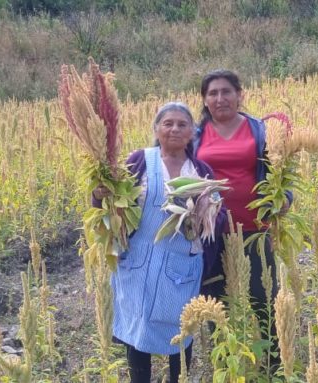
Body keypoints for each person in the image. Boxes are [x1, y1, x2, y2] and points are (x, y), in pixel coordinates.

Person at [93, 102, 226, 383]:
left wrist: (206, 211)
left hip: (180, 268)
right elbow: (109, 203)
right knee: (137, 331)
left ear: (192, 132)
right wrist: (99, 193)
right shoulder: (139, 160)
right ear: (156, 129)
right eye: (168, 123)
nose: (174, 129)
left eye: (182, 124)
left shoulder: (199, 169)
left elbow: (217, 217)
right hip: (139, 266)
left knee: (180, 332)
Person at [194, 69, 293, 369]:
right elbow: (170, 170)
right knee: (216, 302)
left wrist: (284, 199)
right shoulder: (195, 135)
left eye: (226, 91)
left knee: (263, 297)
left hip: (254, 230)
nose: (220, 98)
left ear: (239, 94)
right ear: (205, 99)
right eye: (213, 93)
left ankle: (275, 365)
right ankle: (226, 364)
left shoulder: (259, 130)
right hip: (211, 232)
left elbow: (280, 169)